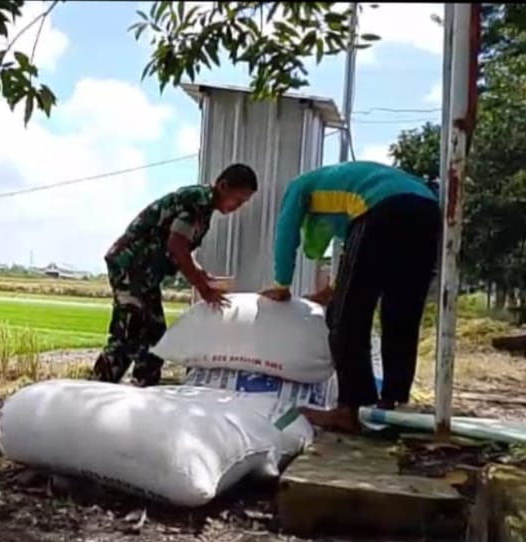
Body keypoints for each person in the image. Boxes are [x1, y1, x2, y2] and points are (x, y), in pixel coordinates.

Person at [261, 159, 441, 434]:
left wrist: (282, 284)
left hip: (383, 208)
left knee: (344, 317)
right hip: (428, 210)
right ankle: (391, 404)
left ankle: (350, 408)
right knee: (401, 314)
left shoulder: (300, 187)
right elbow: (360, 260)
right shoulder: (347, 185)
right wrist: (334, 290)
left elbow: (286, 233)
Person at [93, 164, 258, 388]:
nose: (237, 207)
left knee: (156, 336)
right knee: (129, 332)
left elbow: (180, 248)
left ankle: (144, 390)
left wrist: (200, 273)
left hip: (146, 273)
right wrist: (203, 288)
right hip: (131, 267)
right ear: (223, 186)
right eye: (238, 200)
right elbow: (176, 246)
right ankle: (96, 388)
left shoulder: (204, 208)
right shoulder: (196, 201)